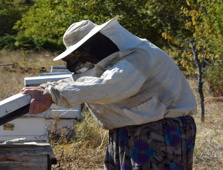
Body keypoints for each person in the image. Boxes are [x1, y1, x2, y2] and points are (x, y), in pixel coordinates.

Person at [21, 16, 197, 170]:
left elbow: (109, 86)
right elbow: (86, 81)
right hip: (131, 130)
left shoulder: (139, 55)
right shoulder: (117, 59)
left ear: (98, 43)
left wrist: (52, 94)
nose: (83, 59)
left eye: (84, 52)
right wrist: (47, 88)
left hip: (160, 130)